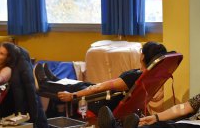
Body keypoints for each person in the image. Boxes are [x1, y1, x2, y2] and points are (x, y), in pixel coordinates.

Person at [34, 41, 168, 114]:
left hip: (105, 103)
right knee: (85, 84)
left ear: (143, 56)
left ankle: (45, 84)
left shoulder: (134, 77)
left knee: (81, 87)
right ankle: (55, 81)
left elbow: (101, 87)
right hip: (114, 98)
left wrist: (74, 96)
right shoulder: (151, 75)